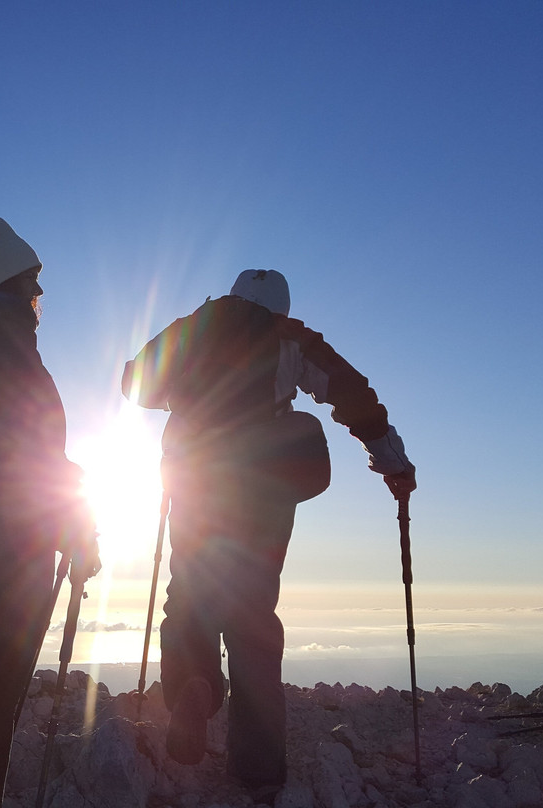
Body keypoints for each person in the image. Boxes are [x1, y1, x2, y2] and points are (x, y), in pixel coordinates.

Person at [122, 269, 415, 803]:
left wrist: (185, 393)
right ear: (279, 307)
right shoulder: (290, 336)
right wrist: (392, 461)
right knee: (253, 610)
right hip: (261, 488)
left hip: (195, 479)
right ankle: (256, 767)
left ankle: (196, 683)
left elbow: (134, 383)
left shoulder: (191, 328)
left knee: (189, 589)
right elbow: (351, 393)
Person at [0, 216, 100, 808]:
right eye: (34, 280)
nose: (42, 295)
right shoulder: (3, 345)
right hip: (15, 535)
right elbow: (24, 451)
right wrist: (74, 514)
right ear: (10, 280)